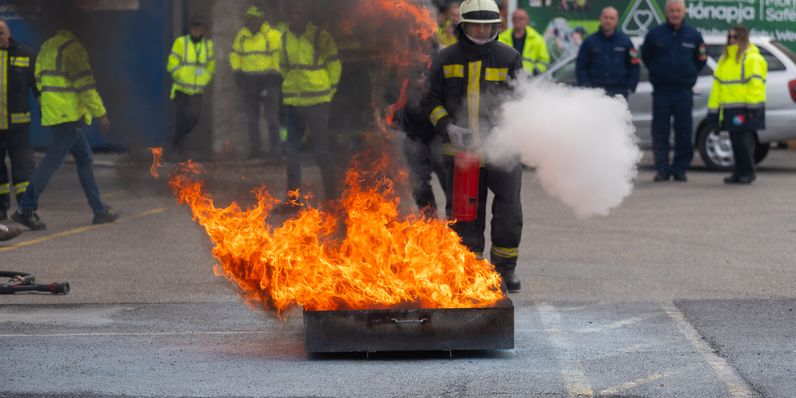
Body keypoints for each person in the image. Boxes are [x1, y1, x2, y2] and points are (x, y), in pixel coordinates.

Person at [424, 0, 524, 291]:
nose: (481, 31)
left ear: (497, 27)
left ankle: (505, 270)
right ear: (462, 26)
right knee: (465, 214)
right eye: (475, 25)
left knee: (509, 212)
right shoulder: (445, 58)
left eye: (487, 25)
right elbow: (430, 99)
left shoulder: (509, 57)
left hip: (502, 151)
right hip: (462, 154)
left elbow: (520, 101)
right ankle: (468, 271)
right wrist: (446, 126)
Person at [12, 26, 117, 230]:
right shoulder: (73, 49)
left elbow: (40, 81)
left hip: (56, 113)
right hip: (69, 115)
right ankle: (25, 208)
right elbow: (86, 87)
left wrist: (53, 105)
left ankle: (99, 209)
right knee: (52, 161)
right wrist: (101, 114)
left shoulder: (47, 47)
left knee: (84, 158)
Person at [280, 1, 342, 205]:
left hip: (317, 102)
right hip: (293, 103)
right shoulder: (284, 38)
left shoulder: (319, 36)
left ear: (305, 15)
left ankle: (332, 197)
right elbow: (283, 67)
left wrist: (329, 92)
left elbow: (334, 65)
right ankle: (293, 200)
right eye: (292, 12)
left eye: (299, 12)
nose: (295, 16)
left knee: (321, 151)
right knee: (291, 151)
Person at [641, 0, 706, 182]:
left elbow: (700, 59)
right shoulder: (655, 34)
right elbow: (647, 57)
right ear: (666, 12)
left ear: (683, 12)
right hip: (662, 91)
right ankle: (662, 170)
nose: (675, 14)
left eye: (678, 11)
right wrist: (658, 72)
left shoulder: (693, 35)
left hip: (683, 91)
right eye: (672, 11)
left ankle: (680, 169)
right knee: (660, 131)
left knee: (683, 132)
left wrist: (688, 74)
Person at [707, 26, 767, 184]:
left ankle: (748, 172)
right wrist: (713, 111)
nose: (731, 40)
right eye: (729, 37)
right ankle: (739, 173)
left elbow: (756, 85)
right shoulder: (724, 59)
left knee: (744, 143)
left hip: (745, 108)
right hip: (729, 109)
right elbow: (717, 88)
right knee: (735, 142)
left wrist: (752, 109)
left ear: (743, 38)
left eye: (735, 37)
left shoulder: (751, 58)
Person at [230, 6, 283, 160]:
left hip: (268, 80)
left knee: (272, 118)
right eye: (250, 19)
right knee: (252, 119)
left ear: (261, 19)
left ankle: (276, 152)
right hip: (249, 81)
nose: (252, 22)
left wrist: (274, 75)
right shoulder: (242, 35)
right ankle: (255, 151)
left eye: (255, 18)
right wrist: (238, 71)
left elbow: (278, 57)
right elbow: (235, 55)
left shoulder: (273, 35)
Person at [0, 20, 37, 222]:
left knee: (24, 170)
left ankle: (27, 211)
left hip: (18, 127)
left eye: (1, 33)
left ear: (9, 33)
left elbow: (37, 86)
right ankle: (1, 212)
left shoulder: (25, 54)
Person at [166, 16, 215, 162]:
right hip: (181, 89)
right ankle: (177, 148)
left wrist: (203, 79)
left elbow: (211, 67)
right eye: (194, 27)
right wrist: (181, 75)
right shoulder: (181, 42)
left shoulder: (208, 45)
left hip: (197, 90)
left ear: (203, 30)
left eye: (199, 28)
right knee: (181, 118)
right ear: (191, 29)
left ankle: (176, 141)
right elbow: (172, 64)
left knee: (194, 118)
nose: (197, 30)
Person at [576, 6, 640, 98]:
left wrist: (630, 87)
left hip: (619, 92)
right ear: (600, 18)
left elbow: (635, 64)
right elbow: (581, 67)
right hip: (596, 92)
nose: (608, 21)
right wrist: (586, 88)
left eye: (611, 18)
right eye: (605, 17)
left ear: (617, 20)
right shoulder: (589, 42)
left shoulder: (626, 41)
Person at [498, 8, 550, 76]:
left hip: (530, 81)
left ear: (527, 20)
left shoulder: (537, 39)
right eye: (515, 18)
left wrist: (534, 72)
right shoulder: (501, 38)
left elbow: (544, 61)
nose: (517, 20)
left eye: (520, 18)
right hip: (506, 79)